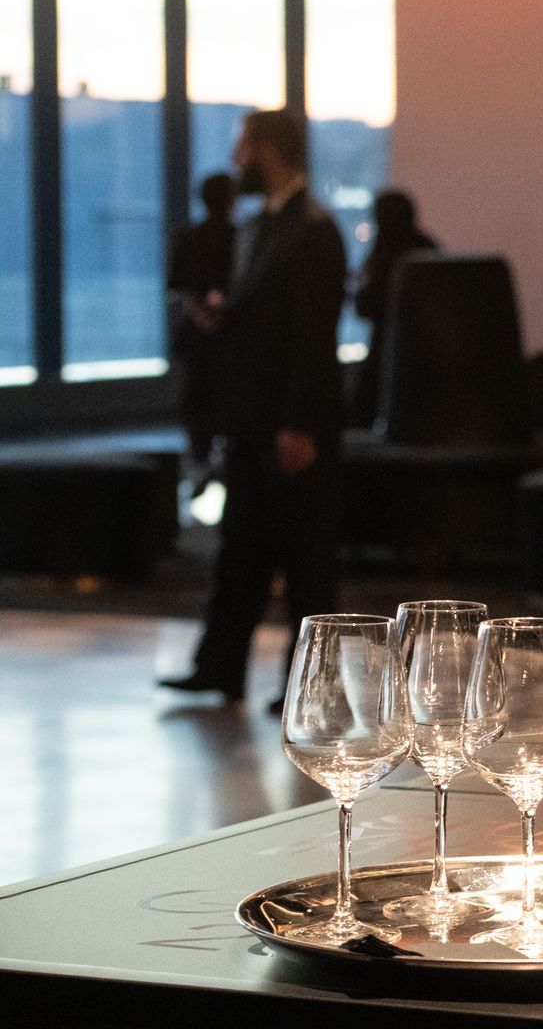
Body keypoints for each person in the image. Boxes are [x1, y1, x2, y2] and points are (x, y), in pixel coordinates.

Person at [160, 109, 347, 710]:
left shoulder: (312, 230)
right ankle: (220, 667)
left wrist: (299, 423)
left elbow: (313, 338)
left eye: (243, 146)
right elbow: (268, 321)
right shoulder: (265, 227)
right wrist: (224, 316)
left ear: (268, 150)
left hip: (289, 423)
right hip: (252, 420)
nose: (236, 158)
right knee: (241, 549)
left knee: (305, 559)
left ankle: (310, 690)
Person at [166, 171, 236, 487]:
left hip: (195, 333)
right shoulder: (241, 237)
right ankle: (225, 459)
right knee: (225, 394)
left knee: (196, 397)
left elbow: (177, 286)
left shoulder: (189, 237)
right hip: (231, 334)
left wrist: (200, 314)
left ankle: (199, 460)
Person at [349, 189, 439, 428]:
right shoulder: (429, 249)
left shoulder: (383, 255)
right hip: (430, 361)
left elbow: (364, 306)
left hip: (383, 358)